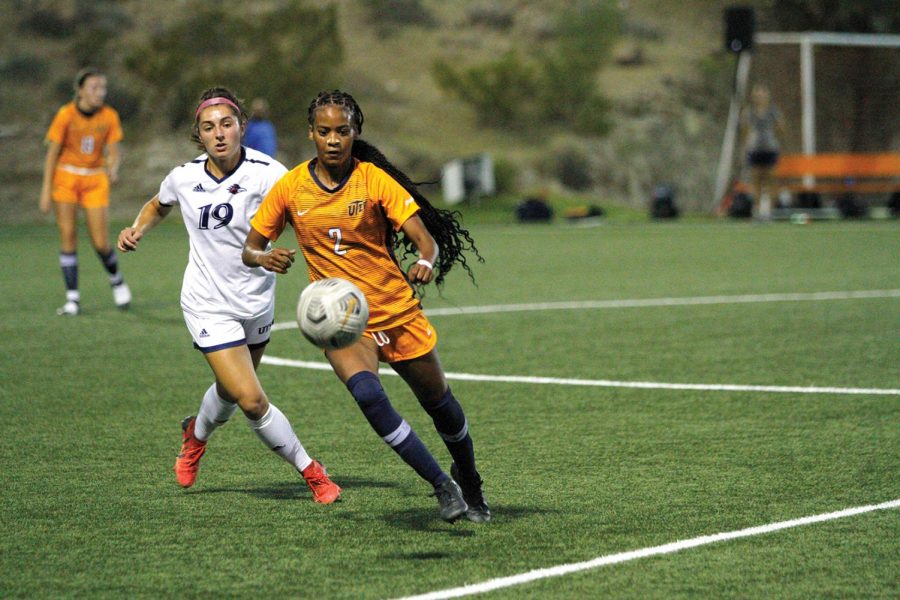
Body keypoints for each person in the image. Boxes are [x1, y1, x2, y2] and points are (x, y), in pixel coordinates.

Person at [242, 90, 490, 524]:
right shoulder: (291, 187)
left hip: (396, 311)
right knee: (368, 396)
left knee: (441, 405)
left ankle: (469, 477)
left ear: (356, 133)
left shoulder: (374, 179)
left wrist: (426, 262)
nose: (333, 140)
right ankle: (441, 485)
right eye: (324, 132)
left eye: (342, 131)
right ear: (311, 134)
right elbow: (250, 248)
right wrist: (265, 257)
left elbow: (424, 240)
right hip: (343, 322)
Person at [117, 87, 341, 504]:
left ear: (242, 127)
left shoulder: (269, 172)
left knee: (229, 389)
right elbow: (158, 203)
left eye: (226, 124)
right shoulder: (185, 176)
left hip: (256, 300)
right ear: (198, 135)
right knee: (252, 400)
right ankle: (312, 471)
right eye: (208, 127)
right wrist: (137, 229)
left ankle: (195, 434)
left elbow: (306, 213)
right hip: (206, 301)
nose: (218, 134)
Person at [40, 67, 131, 316]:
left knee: (101, 242)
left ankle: (117, 279)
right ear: (80, 90)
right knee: (68, 236)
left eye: (102, 88)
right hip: (66, 178)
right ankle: (73, 299)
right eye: (94, 87)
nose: (100, 92)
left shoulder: (109, 116)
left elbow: (114, 151)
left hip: (94, 180)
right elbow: (52, 154)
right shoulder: (65, 115)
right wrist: (46, 190)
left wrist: (113, 167)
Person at [741, 83, 786, 219]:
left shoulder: (773, 111)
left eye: (762, 94)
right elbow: (744, 129)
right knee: (756, 181)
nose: (760, 97)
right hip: (755, 149)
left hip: (770, 149)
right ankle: (757, 210)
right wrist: (747, 142)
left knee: (771, 180)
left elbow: (781, 128)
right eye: (757, 94)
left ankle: (769, 212)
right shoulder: (749, 112)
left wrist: (774, 137)